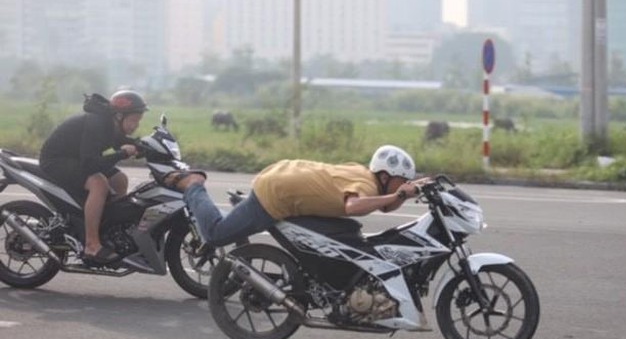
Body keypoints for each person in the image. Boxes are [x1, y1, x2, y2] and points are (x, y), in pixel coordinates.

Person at [164, 145, 424, 247]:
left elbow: (387, 206)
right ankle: (194, 186)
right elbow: (354, 206)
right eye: (403, 181)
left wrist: (411, 191)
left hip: (283, 176)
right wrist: (400, 194)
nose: (406, 185)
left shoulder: (365, 174)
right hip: (274, 194)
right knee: (216, 235)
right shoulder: (366, 188)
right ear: (386, 177)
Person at [39, 90, 147, 264]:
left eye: (138, 121)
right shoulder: (97, 123)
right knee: (99, 184)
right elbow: (90, 164)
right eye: (133, 120)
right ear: (119, 116)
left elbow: (120, 140)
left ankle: (110, 230)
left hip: (77, 159)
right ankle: (92, 244)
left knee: (120, 180)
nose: (136, 125)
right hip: (56, 161)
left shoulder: (109, 124)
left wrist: (144, 145)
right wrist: (121, 154)